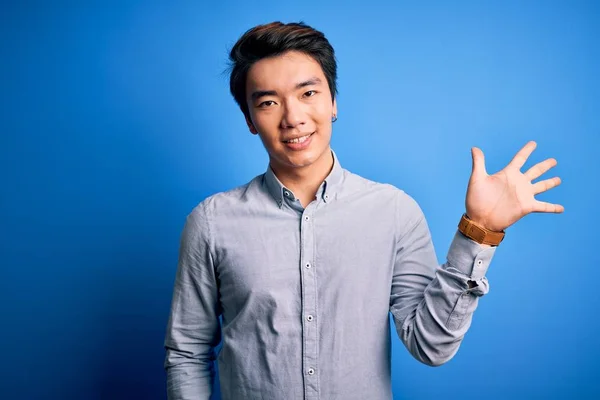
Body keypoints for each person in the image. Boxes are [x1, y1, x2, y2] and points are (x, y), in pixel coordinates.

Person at [163, 21, 563, 400]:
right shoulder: (212, 223)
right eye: (268, 102)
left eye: (308, 93)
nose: (293, 117)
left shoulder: (393, 212)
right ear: (250, 119)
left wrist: (479, 231)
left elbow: (430, 346)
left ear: (333, 102)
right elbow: (187, 354)